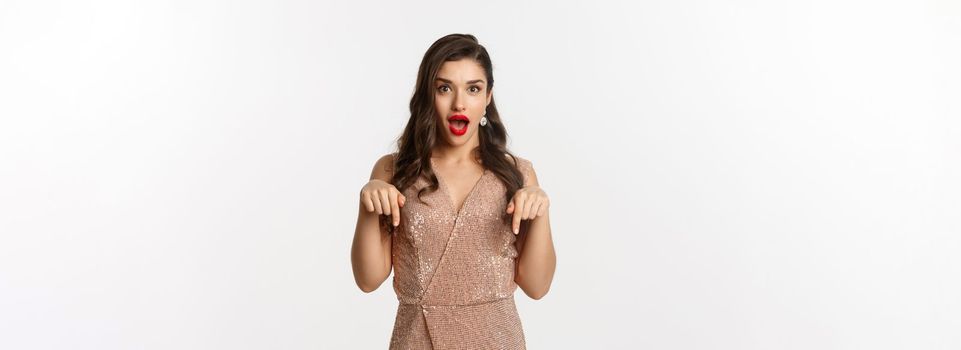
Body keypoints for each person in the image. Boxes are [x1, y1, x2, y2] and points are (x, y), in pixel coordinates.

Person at [351, 33, 556, 349]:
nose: (459, 103)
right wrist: (368, 203)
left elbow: (537, 286)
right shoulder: (393, 171)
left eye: (473, 89)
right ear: (427, 94)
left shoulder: (518, 173)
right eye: (444, 88)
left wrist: (541, 211)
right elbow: (367, 280)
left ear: (487, 97)